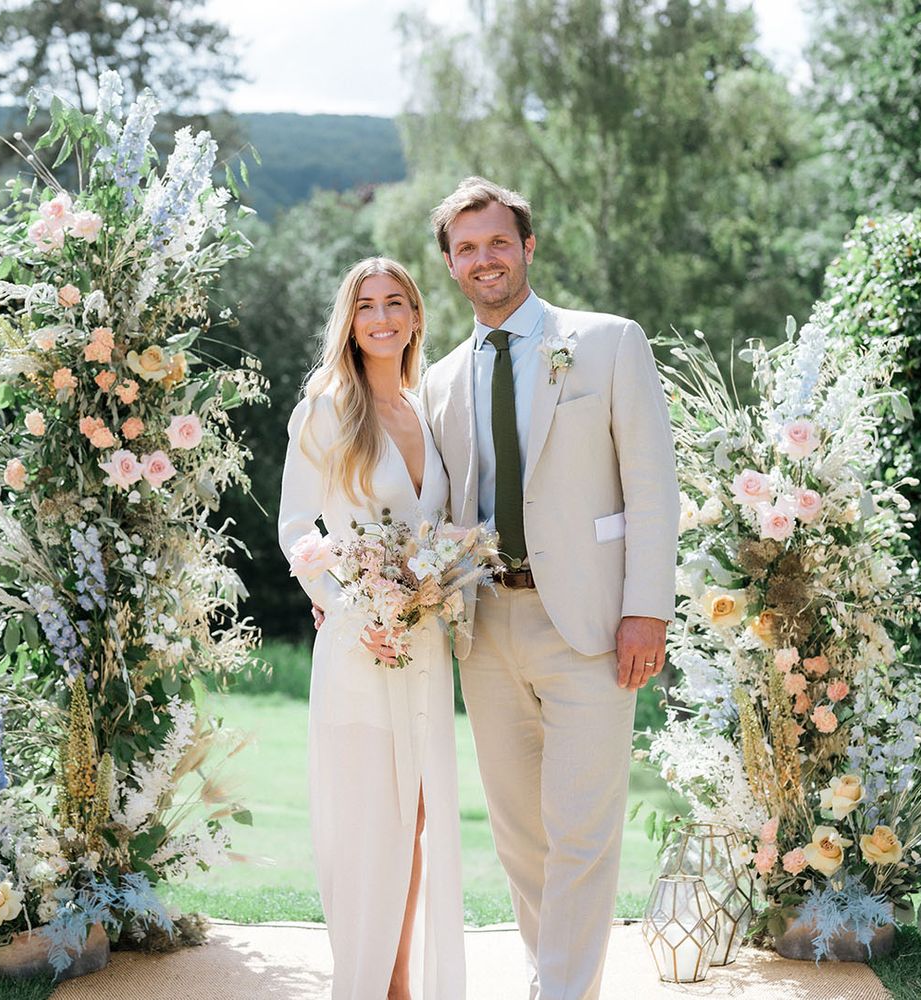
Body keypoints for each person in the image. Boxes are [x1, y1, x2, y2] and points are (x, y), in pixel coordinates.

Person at [419, 177, 679, 1000]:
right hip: (486, 627)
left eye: (499, 241)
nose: (485, 259)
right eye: (467, 248)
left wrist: (647, 609)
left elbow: (652, 486)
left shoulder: (607, 342)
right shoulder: (441, 380)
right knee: (521, 836)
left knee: (581, 829)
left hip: (592, 624)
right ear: (451, 265)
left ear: (527, 247)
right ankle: (553, 977)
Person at [277, 257, 466, 1000]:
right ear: (349, 323)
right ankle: (367, 986)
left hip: (424, 642)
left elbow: (440, 528)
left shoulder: (427, 410)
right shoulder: (326, 410)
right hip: (362, 642)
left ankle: (399, 986)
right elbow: (298, 528)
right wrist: (344, 603)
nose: (381, 317)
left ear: (416, 317)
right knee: (369, 822)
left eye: (395, 303)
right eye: (366, 306)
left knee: (414, 817)